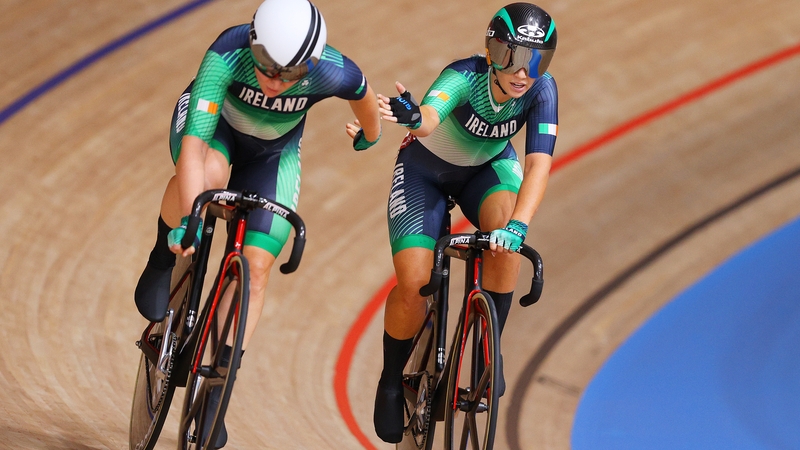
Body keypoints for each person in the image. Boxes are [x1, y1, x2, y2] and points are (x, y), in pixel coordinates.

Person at [132, 0, 381, 447]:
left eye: (291, 74)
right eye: (267, 66)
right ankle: (159, 260)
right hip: (215, 134)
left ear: (311, 64)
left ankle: (217, 393)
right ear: (253, 42)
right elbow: (192, 151)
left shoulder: (333, 70)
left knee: (259, 263)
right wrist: (190, 220)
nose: (275, 81)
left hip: (273, 156)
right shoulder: (226, 53)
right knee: (209, 179)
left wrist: (371, 134)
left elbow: (365, 98)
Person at [372, 2, 558, 443]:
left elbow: (537, 167)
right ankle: (392, 378)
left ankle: (485, 354)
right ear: (493, 51)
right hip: (425, 173)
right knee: (416, 284)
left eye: (537, 60)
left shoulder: (542, 90)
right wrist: (415, 118)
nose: (524, 72)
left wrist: (518, 229)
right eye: (514, 56)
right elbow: (432, 115)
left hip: (487, 173)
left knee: (506, 244)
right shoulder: (464, 75)